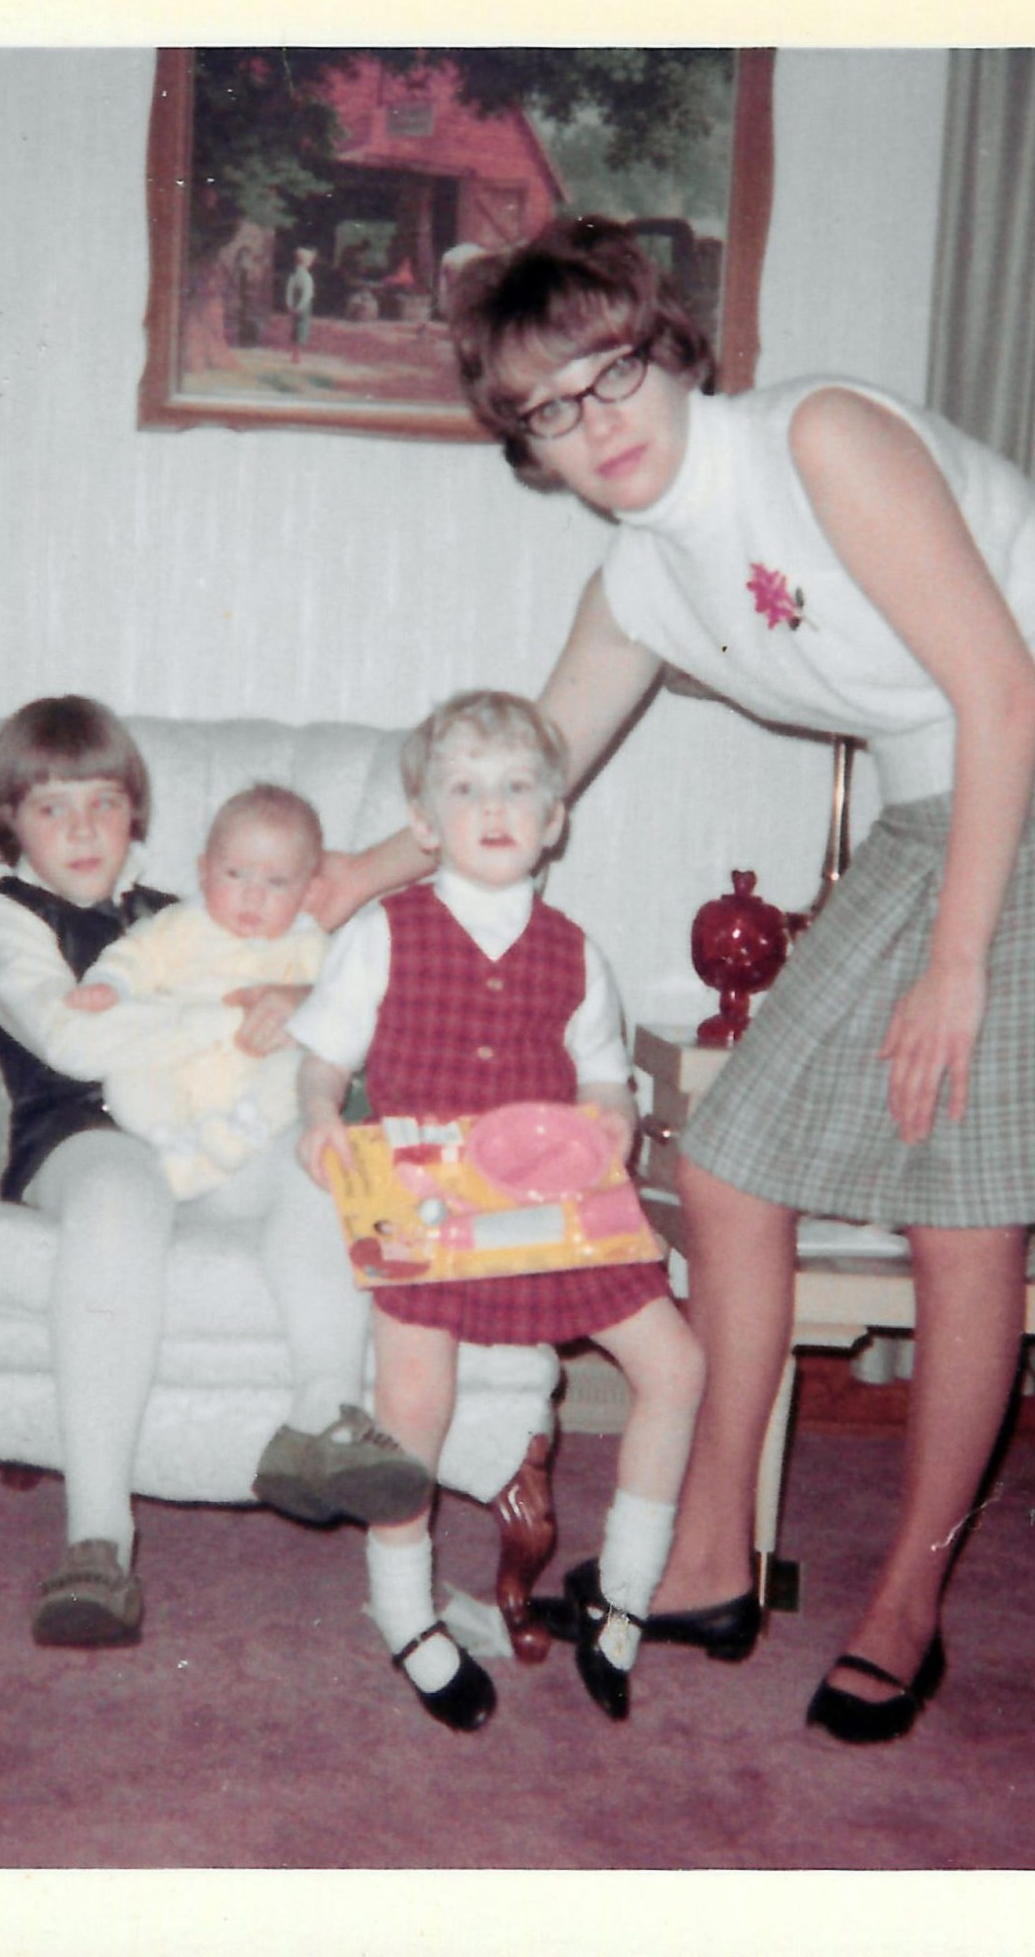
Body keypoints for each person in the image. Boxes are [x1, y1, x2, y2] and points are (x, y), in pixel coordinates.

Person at [316, 216, 1035, 1745]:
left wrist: (954, 966)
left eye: (607, 375)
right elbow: (524, 766)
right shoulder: (641, 588)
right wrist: (352, 876)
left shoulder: (818, 438)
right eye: (544, 410)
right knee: (731, 1163)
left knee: (961, 1183)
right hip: (945, 787)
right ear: (524, 447)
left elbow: (1005, 688)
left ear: (670, 348)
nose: (591, 425)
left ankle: (907, 1602)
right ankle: (706, 1548)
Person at [0, 698, 431, 1649]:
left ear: (137, 812)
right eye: (53, 808)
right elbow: (72, 1034)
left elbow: (314, 987)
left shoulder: (189, 911)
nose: (85, 828)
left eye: (105, 802)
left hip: (214, 1133)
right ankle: (97, 1536)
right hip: (78, 1138)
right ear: (9, 818)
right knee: (119, 1196)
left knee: (324, 1158)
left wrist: (301, 996)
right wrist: (242, 1010)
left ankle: (323, 1415)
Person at [292, 691, 706, 1732]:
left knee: (677, 1364)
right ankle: (401, 1609)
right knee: (413, 1399)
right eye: (464, 788)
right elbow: (322, 1057)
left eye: (516, 786)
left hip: (544, 1202)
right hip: (426, 1207)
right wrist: (314, 1118)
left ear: (552, 815)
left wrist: (609, 1125)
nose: (492, 806)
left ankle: (624, 1587)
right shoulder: (384, 931)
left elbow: (606, 1083)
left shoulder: (574, 949)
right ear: (424, 821)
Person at [66, 783, 328, 1200]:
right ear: (204, 872)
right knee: (128, 1074)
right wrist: (108, 985)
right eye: (235, 874)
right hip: (179, 1055)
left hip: (255, 1064)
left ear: (309, 892)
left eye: (276, 882)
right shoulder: (181, 924)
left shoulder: (309, 942)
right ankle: (174, 1142)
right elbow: (135, 956)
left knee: (299, 1071)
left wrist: (306, 998)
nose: (253, 895)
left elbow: (338, 1001)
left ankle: (246, 1130)